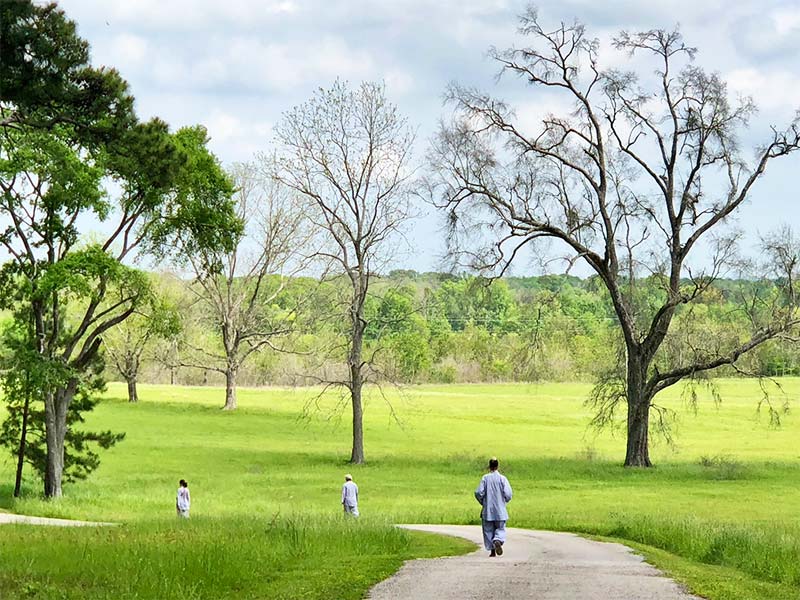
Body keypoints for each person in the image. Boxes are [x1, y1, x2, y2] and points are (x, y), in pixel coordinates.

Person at [474, 457, 512, 557]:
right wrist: (504, 501)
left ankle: (492, 551)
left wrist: (483, 502)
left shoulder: (485, 478)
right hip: (500, 510)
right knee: (500, 528)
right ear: (497, 466)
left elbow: (478, 492)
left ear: (489, 466)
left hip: (488, 510)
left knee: (488, 530)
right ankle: (497, 540)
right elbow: (508, 494)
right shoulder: (502, 479)